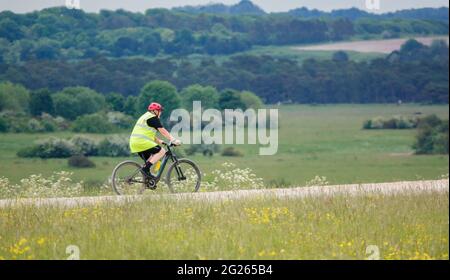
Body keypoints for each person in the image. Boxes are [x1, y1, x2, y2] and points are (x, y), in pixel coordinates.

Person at [129, 102, 181, 179]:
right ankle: (145, 169)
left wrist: (159, 141)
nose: (160, 112)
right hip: (141, 142)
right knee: (162, 151)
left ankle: (147, 180)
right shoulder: (152, 118)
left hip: (135, 143)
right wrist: (173, 139)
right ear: (154, 111)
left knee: (150, 160)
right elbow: (162, 130)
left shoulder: (144, 117)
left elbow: (146, 133)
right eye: (159, 111)